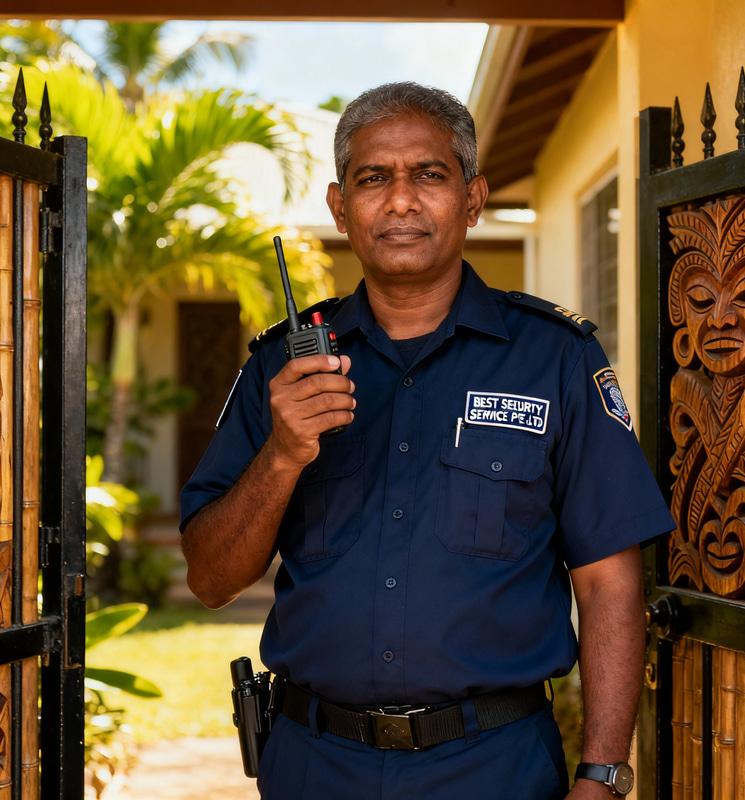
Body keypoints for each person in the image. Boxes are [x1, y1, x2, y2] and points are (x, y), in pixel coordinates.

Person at [180, 82, 675, 799]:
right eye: (373, 178)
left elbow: (609, 584)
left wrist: (601, 775)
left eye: (430, 175)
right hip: (317, 767)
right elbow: (210, 579)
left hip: (493, 768)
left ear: (473, 199)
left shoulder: (555, 358)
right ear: (340, 207)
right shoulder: (283, 367)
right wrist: (283, 455)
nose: (402, 201)